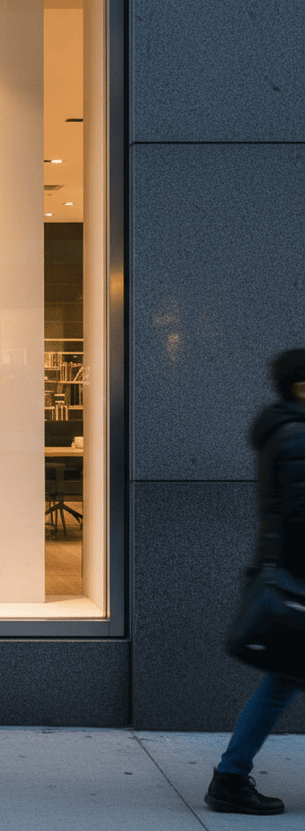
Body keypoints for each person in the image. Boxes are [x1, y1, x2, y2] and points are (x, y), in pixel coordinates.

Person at [205, 348, 305, 816]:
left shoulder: (284, 431)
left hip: (287, 573)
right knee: (281, 682)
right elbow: (301, 518)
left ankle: (230, 776)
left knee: (282, 682)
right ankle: (229, 777)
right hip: (297, 577)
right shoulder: (297, 436)